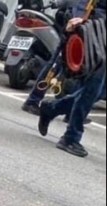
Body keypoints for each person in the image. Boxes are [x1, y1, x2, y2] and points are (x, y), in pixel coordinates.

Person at [36, 2, 106, 157]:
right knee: (92, 87)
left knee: (99, 91)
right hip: (97, 32)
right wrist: (80, 18)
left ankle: (52, 108)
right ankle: (71, 137)